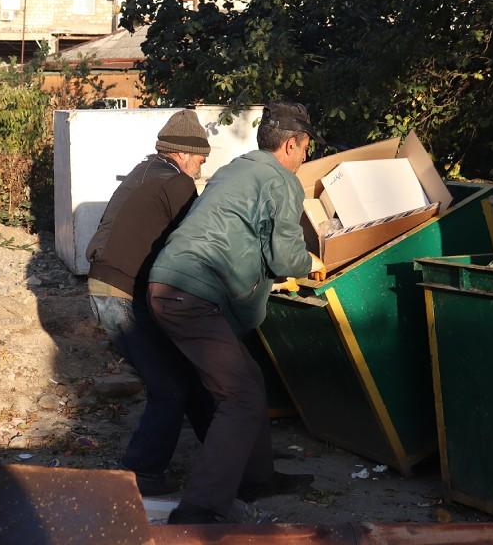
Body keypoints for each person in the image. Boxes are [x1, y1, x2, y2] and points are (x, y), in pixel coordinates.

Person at [148, 100, 326, 525]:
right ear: (292, 144)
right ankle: (200, 509)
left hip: (171, 285)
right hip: (193, 294)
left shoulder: (237, 168)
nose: (305, 157)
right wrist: (312, 262)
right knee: (241, 394)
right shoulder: (282, 181)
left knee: (248, 377)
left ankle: (257, 477)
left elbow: (241, 234)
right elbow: (285, 257)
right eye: (305, 148)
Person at [85, 109, 216, 496]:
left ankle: (223, 451)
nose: (201, 169)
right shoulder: (177, 185)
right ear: (185, 154)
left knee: (182, 374)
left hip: (109, 287)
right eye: (201, 160)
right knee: (170, 387)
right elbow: (190, 247)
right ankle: (141, 474)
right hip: (120, 295)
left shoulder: (144, 172)